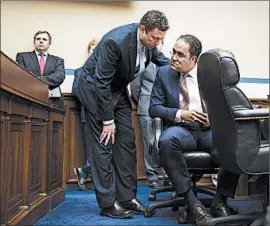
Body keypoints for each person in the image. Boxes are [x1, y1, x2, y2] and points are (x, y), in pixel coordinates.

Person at [76, 10, 170, 219]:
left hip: (117, 92)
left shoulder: (149, 45)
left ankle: (127, 198)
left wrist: (184, 70)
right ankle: (108, 204)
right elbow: (101, 82)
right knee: (103, 145)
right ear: (142, 29)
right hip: (95, 91)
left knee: (127, 143)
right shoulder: (115, 42)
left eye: (161, 39)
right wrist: (107, 120)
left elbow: (162, 60)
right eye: (155, 38)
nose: (157, 43)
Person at [149, 34, 240, 226]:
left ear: (193, 59)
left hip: (208, 130)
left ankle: (220, 201)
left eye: (180, 54)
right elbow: (154, 107)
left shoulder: (211, 75)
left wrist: (214, 119)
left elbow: (229, 103)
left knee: (236, 143)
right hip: (181, 129)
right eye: (173, 52)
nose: (173, 57)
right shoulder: (163, 73)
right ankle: (194, 205)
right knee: (166, 141)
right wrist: (182, 114)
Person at [130, 41, 171, 189]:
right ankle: (152, 176)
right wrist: (142, 100)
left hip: (164, 109)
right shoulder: (143, 61)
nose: (156, 45)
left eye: (159, 43)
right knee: (149, 143)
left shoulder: (167, 64)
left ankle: (168, 176)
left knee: (166, 142)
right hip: (146, 107)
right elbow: (135, 86)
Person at [72, 38, 100, 191]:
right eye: (92, 49)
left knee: (105, 148)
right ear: (89, 51)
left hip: (107, 116)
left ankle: (85, 170)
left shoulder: (108, 70)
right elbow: (76, 90)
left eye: (98, 49)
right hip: (88, 114)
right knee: (93, 148)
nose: (95, 52)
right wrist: (92, 100)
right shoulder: (80, 71)